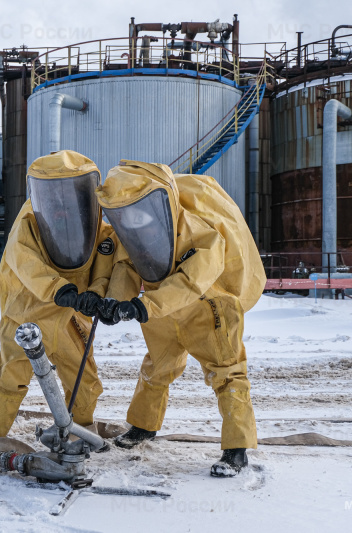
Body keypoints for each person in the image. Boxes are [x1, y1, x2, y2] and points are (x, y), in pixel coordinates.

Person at [94, 159, 266, 477]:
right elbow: (126, 264)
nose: (134, 219)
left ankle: (237, 449)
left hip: (210, 307)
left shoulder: (204, 237)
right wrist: (114, 303)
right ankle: (143, 427)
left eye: (139, 210)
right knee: (157, 368)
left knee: (227, 374)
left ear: (162, 202)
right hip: (160, 308)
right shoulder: (135, 230)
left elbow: (191, 281)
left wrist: (143, 306)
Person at [0, 150, 119, 459]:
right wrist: (60, 289)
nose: (62, 210)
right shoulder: (27, 223)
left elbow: (105, 263)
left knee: (85, 380)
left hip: (71, 317)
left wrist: (94, 293)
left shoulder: (99, 227)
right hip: (28, 312)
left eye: (70, 201)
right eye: (54, 202)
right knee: (9, 378)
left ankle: (80, 432)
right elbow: (26, 263)